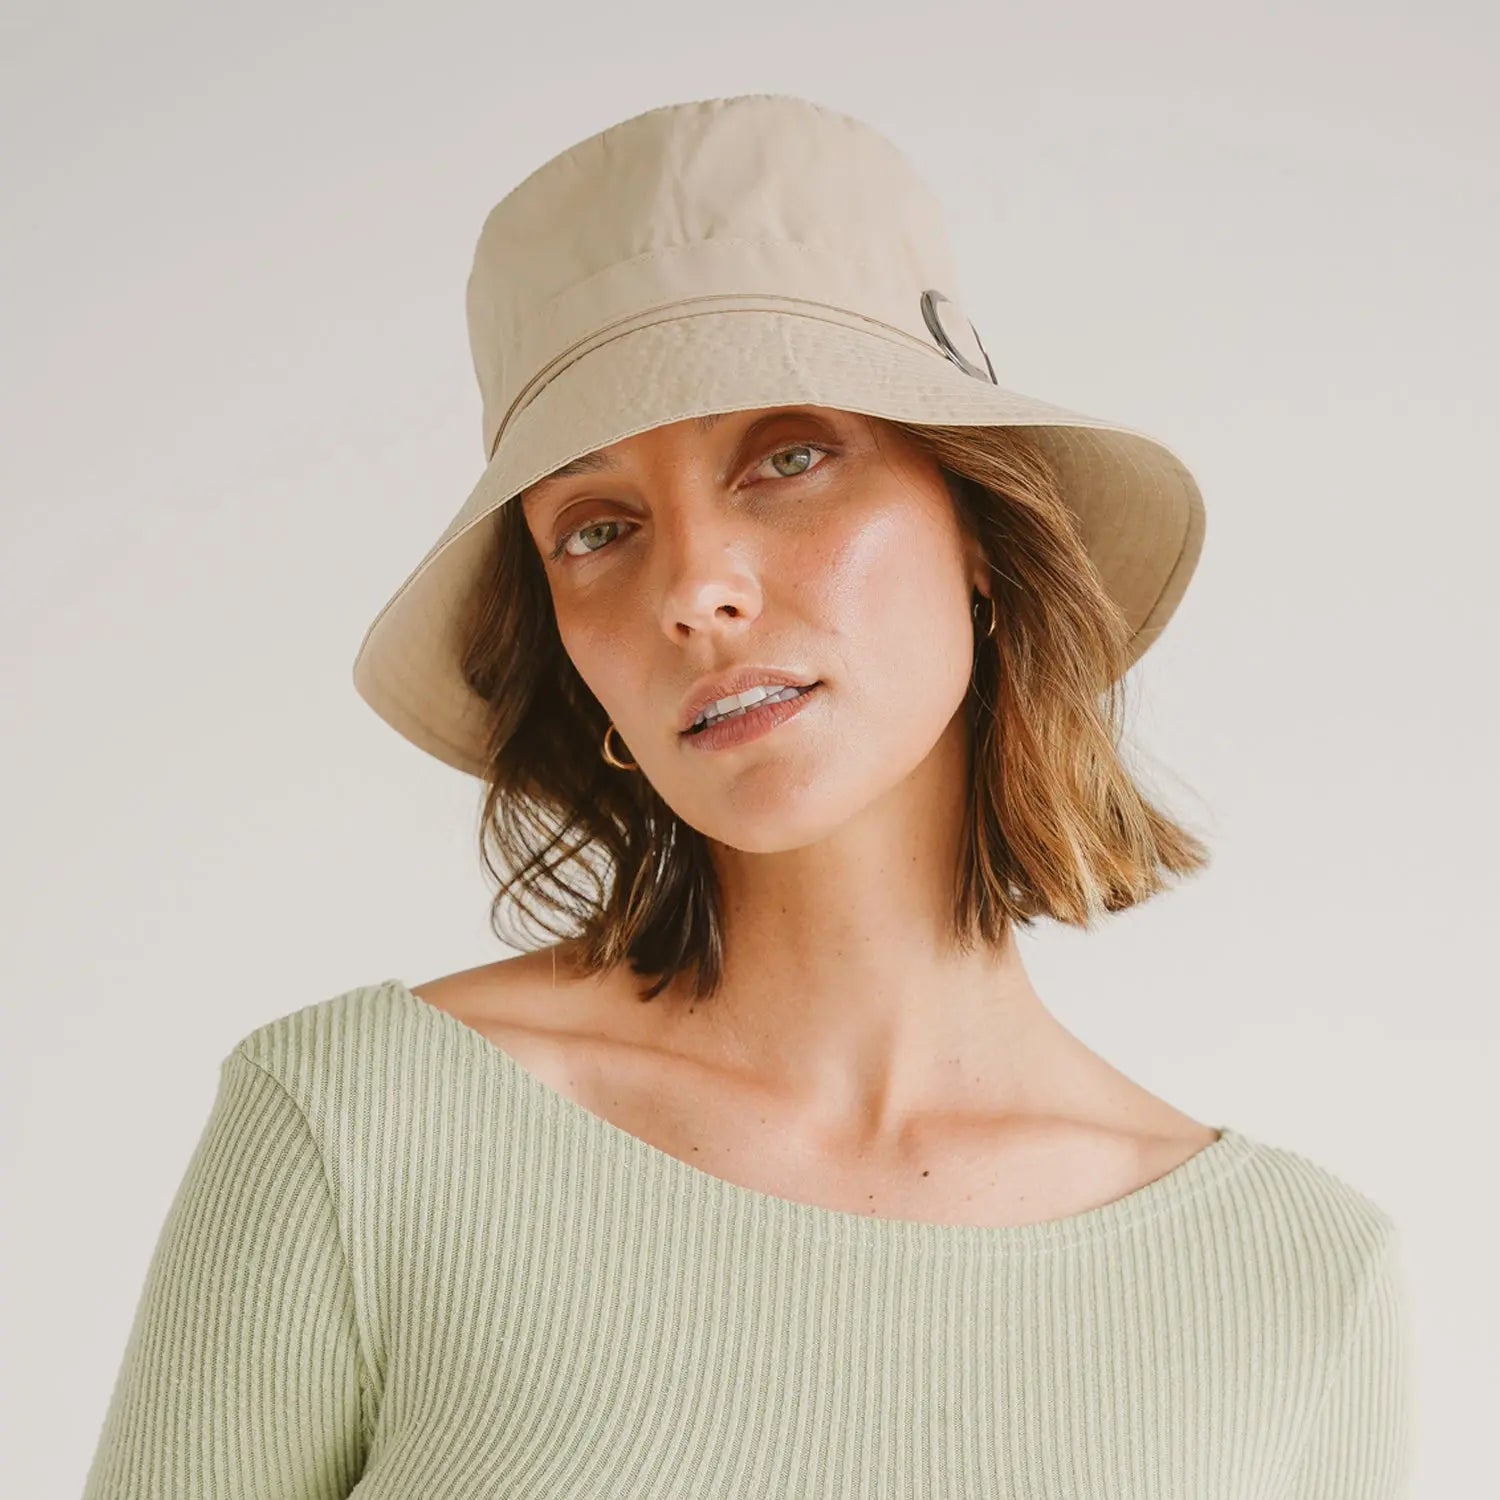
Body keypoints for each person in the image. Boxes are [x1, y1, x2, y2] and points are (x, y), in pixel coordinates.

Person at [82, 94, 1414, 1498]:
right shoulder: (360, 1135)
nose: (695, 589)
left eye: (789, 455)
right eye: (598, 528)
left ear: (975, 523)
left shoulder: (1296, 1287)